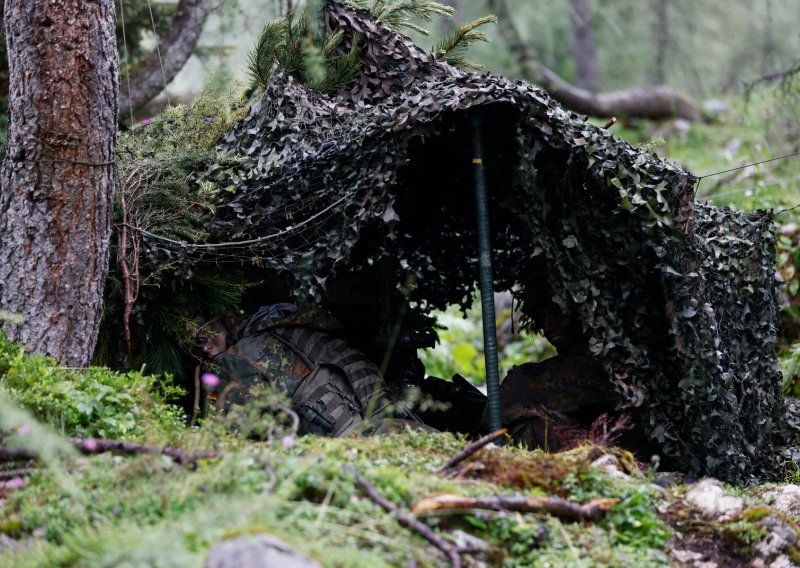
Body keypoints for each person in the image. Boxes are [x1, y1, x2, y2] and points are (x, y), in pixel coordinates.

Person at [195, 303, 421, 436]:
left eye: (205, 334)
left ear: (229, 319)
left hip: (359, 443)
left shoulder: (242, 353)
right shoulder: (289, 327)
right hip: (402, 426)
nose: (203, 347)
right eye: (195, 343)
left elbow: (233, 434)